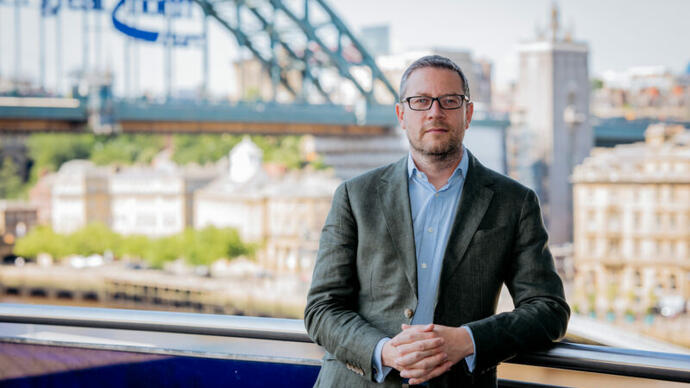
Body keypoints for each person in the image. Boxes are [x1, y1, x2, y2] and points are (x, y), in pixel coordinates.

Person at [304, 55, 569, 387]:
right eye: (420, 101)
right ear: (402, 114)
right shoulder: (355, 196)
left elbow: (549, 310)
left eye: (450, 101)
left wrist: (468, 340)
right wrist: (384, 351)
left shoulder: (514, 202)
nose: (435, 112)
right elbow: (321, 309)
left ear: (468, 113)